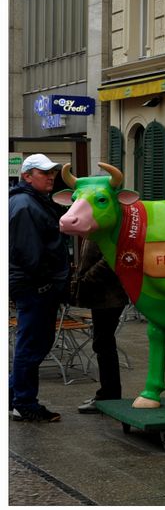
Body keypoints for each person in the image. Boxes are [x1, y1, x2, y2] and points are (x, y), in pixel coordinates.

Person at [9, 154, 71, 422]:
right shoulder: (24, 204)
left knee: (33, 343)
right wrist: (47, 283)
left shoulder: (31, 201)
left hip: (34, 284)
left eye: (52, 172)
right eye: (43, 172)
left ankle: (15, 397)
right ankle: (24, 402)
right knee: (32, 344)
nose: (50, 176)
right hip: (35, 286)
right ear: (26, 176)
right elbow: (29, 251)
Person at [73, 239, 128, 413]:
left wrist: (86, 279)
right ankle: (108, 393)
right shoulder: (94, 227)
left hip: (107, 297)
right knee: (103, 343)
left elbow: (111, 259)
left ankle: (109, 395)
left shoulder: (103, 226)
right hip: (102, 296)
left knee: (103, 344)